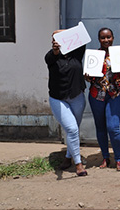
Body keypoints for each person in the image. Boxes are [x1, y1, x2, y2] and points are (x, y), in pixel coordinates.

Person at [86, 28, 120, 172]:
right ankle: (105, 157)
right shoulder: (94, 55)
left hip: (114, 95)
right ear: (99, 39)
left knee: (113, 128)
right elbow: (90, 76)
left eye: (109, 37)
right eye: (103, 38)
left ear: (113, 37)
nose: (106, 40)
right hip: (96, 95)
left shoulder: (119, 54)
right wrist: (87, 76)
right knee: (100, 127)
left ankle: (118, 159)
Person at [45, 30, 87, 176]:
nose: (60, 40)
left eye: (63, 38)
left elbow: (82, 37)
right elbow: (52, 56)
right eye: (56, 38)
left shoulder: (77, 54)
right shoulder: (52, 56)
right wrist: (56, 49)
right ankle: (78, 164)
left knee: (73, 129)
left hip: (77, 97)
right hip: (58, 99)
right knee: (72, 130)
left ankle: (68, 157)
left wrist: (65, 34)